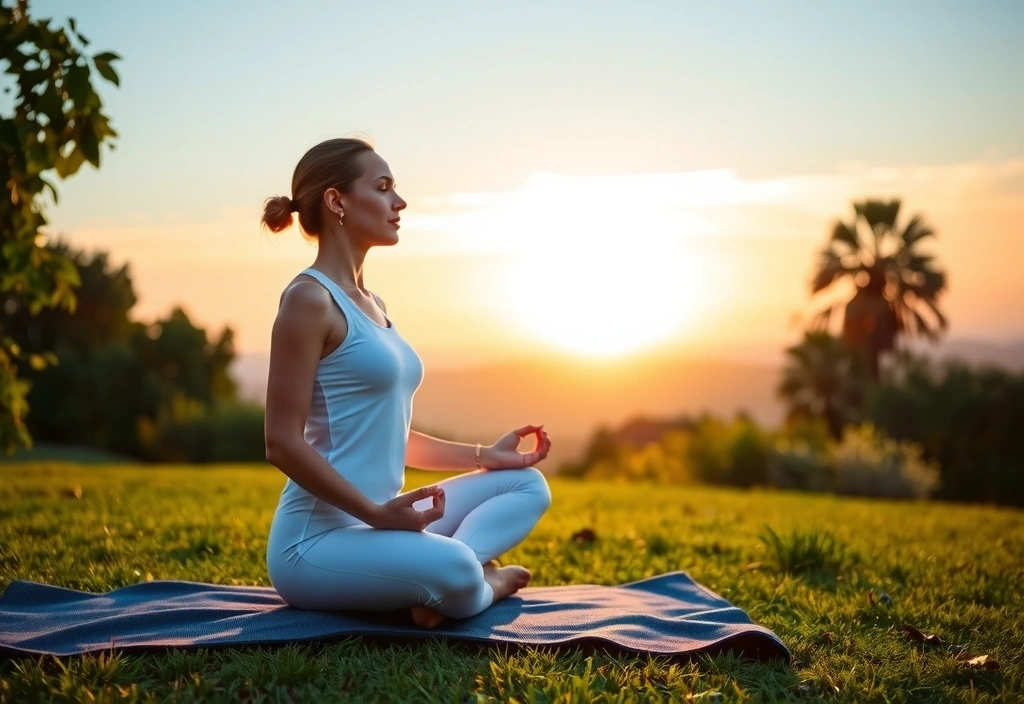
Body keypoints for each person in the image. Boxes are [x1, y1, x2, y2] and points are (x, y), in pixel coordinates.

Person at [260, 137, 552, 628]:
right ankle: (478, 582)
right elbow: (281, 443)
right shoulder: (308, 301)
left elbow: (391, 436)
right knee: (458, 565)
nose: (400, 202)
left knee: (526, 484)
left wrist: (485, 457)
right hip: (314, 544)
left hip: (385, 526)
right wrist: (376, 514)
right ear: (337, 202)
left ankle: (439, 584)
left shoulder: (373, 304)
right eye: (383, 187)